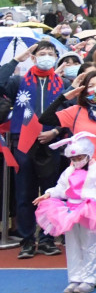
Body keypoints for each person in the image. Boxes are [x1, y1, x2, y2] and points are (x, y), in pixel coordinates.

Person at [39, 67, 96, 288]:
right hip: (79, 177)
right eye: (91, 86)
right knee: (78, 228)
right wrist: (67, 94)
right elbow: (46, 117)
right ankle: (79, 272)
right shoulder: (76, 111)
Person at [1, 39, 68, 259]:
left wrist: (56, 132)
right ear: (33, 57)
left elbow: (71, 113)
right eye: (42, 53)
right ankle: (27, 240)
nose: (46, 56)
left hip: (51, 142)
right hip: (23, 142)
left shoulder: (62, 83)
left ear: (56, 58)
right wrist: (15, 60)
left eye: (51, 53)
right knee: (24, 194)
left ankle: (48, 238)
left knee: (50, 193)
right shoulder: (18, 81)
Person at [33, 132, 96, 293]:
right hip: (70, 210)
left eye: (80, 157)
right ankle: (75, 278)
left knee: (90, 244)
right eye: (74, 159)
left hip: (89, 209)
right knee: (72, 245)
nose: (77, 161)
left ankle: (89, 279)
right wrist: (49, 193)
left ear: (87, 154)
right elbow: (61, 188)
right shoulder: (69, 171)